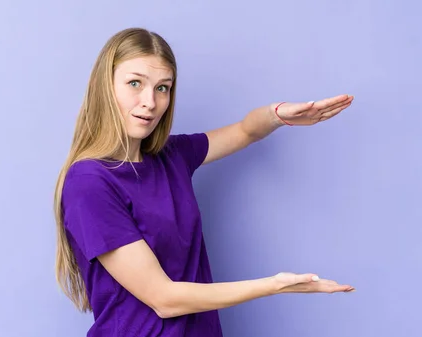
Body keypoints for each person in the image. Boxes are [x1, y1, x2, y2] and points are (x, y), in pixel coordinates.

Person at [53, 27, 355, 337]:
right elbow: (164, 299)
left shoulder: (171, 155)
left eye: (162, 88)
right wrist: (273, 285)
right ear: (105, 87)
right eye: (135, 83)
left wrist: (279, 115)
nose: (150, 102)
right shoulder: (89, 183)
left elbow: (245, 131)